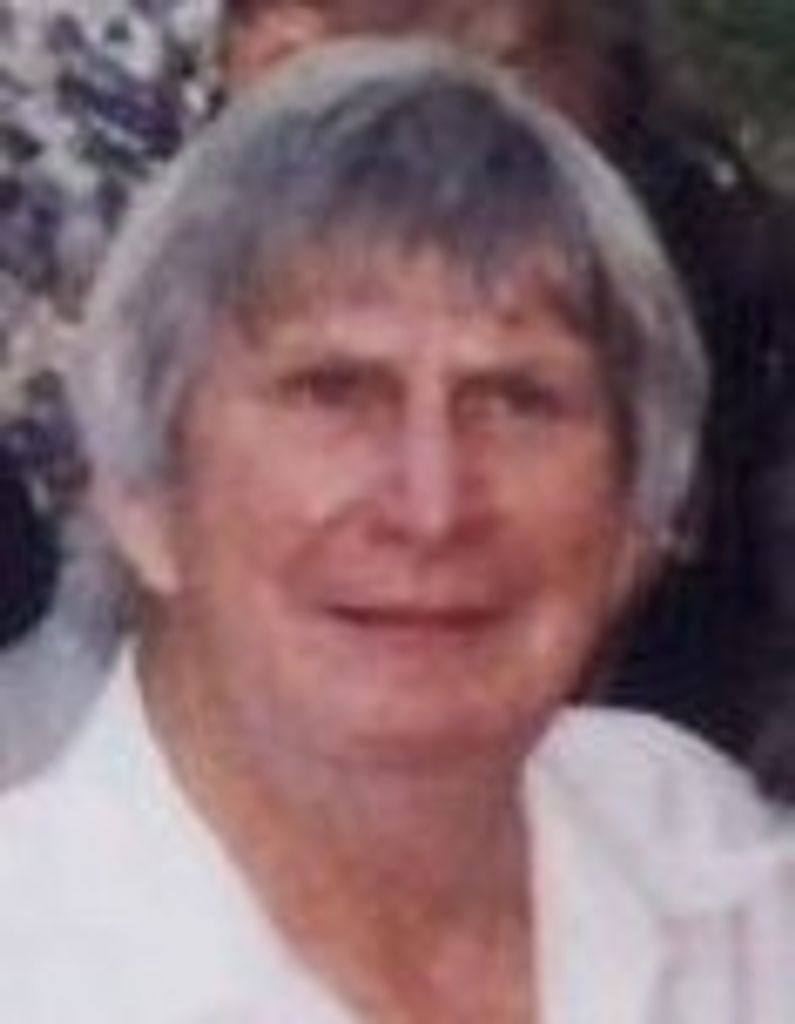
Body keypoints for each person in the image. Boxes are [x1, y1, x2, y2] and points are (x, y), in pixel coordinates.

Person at [0, 40, 791, 1022]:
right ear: (141, 491)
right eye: (331, 392)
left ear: (641, 515)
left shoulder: (716, 875)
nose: (432, 505)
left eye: (518, 399)